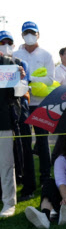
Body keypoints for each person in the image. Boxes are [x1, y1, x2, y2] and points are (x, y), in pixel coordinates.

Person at [13, 21, 55, 185]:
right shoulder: (15, 54)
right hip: (20, 102)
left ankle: (46, 177)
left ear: (38, 35)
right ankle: (25, 178)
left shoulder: (46, 55)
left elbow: (51, 79)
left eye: (33, 33)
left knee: (42, 141)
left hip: (41, 103)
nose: (29, 36)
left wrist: (31, 78)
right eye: (26, 33)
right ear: (22, 35)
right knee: (23, 141)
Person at [0, 31, 36, 201]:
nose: (5, 46)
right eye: (2, 42)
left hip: (20, 111)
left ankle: (27, 187)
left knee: (24, 149)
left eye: (9, 42)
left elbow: (22, 90)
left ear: (13, 45)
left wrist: (20, 78)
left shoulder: (19, 63)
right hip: (5, 115)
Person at [0, 53, 26, 217]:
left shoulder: (9, 63)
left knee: (6, 165)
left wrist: (20, 78)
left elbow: (18, 94)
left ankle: (9, 203)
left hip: (4, 121)